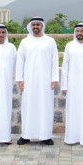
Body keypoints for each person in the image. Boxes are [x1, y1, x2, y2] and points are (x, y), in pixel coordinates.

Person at [15, 17, 59, 145]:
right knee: (28, 107)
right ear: (30, 26)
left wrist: (54, 78)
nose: (35, 26)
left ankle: (46, 136)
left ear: (42, 26)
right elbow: (20, 61)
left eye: (38, 24)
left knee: (45, 107)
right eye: (33, 24)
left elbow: (55, 60)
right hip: (29, 81)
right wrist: (20, 79)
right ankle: (26, 135)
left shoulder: (50, 41)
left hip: (46, 81)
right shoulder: (25, 42)